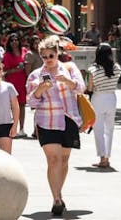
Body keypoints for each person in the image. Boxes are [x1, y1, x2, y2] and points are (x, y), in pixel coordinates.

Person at [27, 34, 86, 217]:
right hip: (46, 121)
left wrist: (66, 81)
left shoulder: (69, 68)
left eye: (51, 56)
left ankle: (58, 192)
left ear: (57, 53)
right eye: (44, 57)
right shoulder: (36, 75)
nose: (48, 60)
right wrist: (39, 91)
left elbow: (81, 88)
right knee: (53, 160)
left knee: (64, 161)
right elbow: (31, 102)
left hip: (68, 119)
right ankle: (56, 199)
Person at [87, 42, 121, 168]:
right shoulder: (117, 68)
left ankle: (102, 157)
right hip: (112, 97)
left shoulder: (93, 69)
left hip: (98, 97)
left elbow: (90, 88)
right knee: (109, 129)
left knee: (98, 129)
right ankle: (107, 157)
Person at [2, 33, 28, 136]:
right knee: (12, 106)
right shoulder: (7, 55)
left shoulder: (24, 51)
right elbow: (5, 71)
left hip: (22, 82)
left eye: (16, 39)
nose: (14, 42)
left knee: (22, 105)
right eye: (12, 40)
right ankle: (13, 128)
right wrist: (15, 69)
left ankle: (21, 129)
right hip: (12, 83)